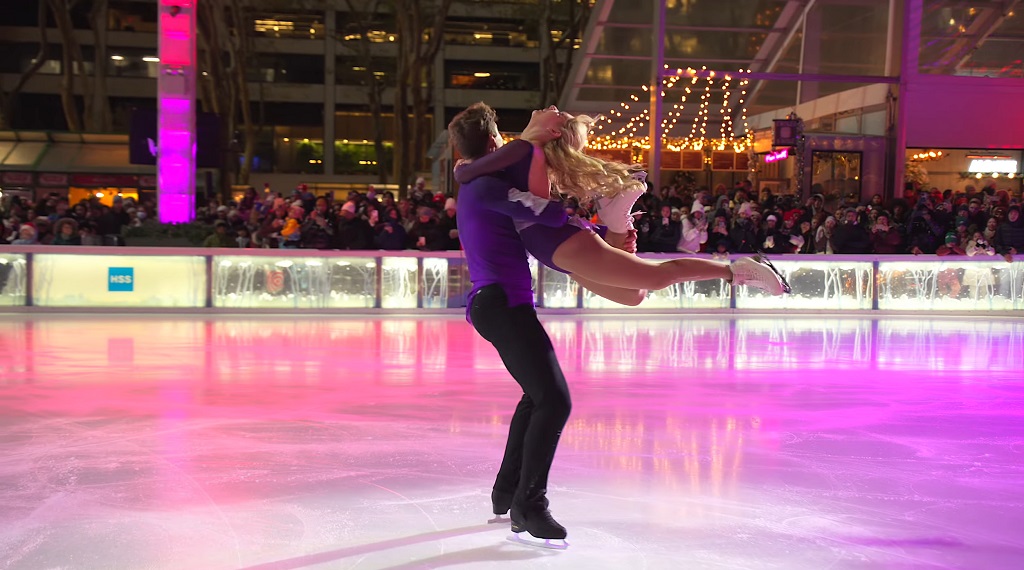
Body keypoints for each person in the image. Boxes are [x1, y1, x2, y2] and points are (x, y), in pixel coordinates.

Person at [455, 107, 789, 298]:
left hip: (552, 242)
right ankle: (617, 222)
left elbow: (483, 177)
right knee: (633, 295)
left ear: (553, 134)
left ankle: (736, 271)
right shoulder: (522, 151)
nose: (550, 109)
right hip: (551, 245)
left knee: (655, 279)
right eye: (557, 112)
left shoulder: (526, 149)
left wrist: (465, 169)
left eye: (556, 115)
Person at [448, 102, 574, 547]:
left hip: (499, 302)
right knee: (554, 401)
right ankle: (529, 504)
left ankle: (507, 492)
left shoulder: (477, 183)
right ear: (490, 143)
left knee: (536, 397)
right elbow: (550, 214)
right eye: (499, 136)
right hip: (502, 304)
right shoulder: (484, 187)